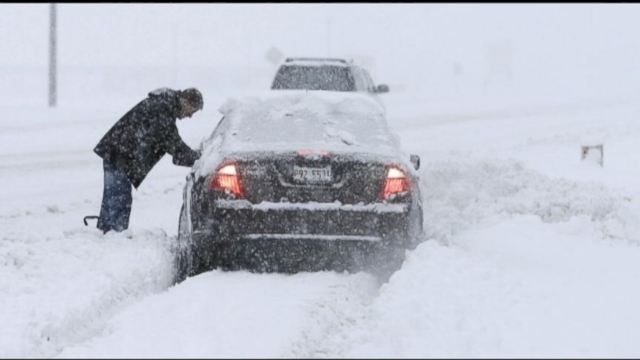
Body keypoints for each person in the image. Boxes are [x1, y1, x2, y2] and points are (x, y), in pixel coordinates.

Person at [88, 87, 204, 234]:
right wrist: (198, 158)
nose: (190, 116)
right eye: (192, 110)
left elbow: (172, 143)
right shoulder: (163, 107)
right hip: (120, 155)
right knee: (120, 202)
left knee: (112, 201)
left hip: (117, 153)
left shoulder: (164, 105)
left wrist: (189, 156)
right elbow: (172, 141)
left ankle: (104, 234)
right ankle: (115, 237)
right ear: (187, 101)